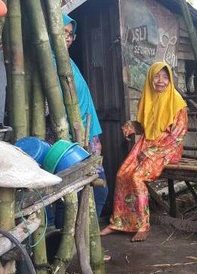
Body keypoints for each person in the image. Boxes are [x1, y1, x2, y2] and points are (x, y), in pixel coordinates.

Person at [99, 62, 188, 242]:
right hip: (147, 143)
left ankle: (143, 225)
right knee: (122, 174)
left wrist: (152, 152)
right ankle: (119, 222)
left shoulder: (177, 102)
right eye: (157, 76)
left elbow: (178, 135)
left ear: (170, 79)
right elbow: (145, 125)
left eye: (165, 77)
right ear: (150, 78)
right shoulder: (148, 97)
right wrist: (132, 127)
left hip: (167, 148)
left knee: (137, 176)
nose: (161, 81)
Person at [62, 14, 108, 218]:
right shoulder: (53, 62)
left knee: (95, 190)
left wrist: (94, 138)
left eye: (71, 34)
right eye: (64, 31)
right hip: (73, 140)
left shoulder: (68, 61)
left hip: (88, 133)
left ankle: (91, 246)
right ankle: (86, 246)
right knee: (93, 191)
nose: (68, 37)